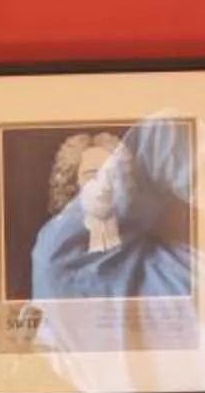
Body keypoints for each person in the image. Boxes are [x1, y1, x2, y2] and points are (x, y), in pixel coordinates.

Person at [28, 127, 195, 304]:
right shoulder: (55, 253)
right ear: (72, 186)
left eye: (114, 176)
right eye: (92, 176)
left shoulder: (157, 252)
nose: (105, 186)